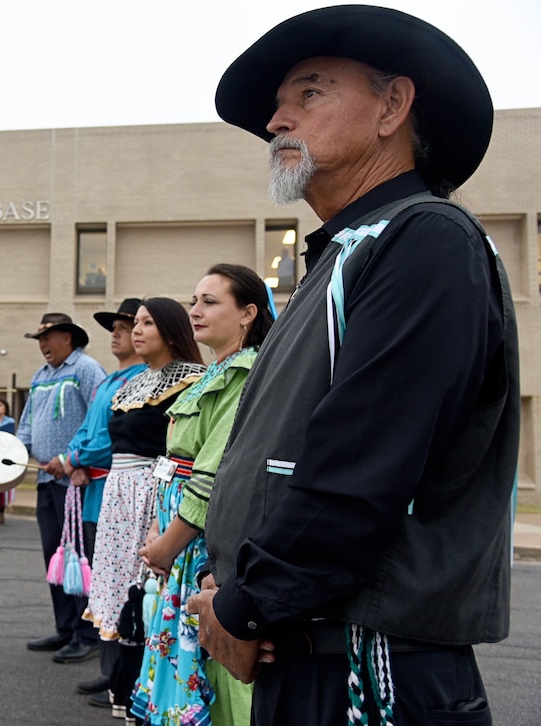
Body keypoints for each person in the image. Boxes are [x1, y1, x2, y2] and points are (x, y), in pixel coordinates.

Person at [186, 7, 519, 726]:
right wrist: (230, 584)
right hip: (308, 649)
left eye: (309, 93)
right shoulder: (342, 255)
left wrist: (245, 606)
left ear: (393, 106)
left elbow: (361, 464)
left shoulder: (424, 239)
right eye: (279, 104)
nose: (276, 119)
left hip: (372, 664)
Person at [129, 267, 273, 725]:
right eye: (194, 300)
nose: (195, 310)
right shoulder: (214, 373)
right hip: (177, 539)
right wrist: (157, 527)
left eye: (210, 301)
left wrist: (168, 543)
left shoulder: (245, 375)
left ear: (248, 313)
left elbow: (213, 473)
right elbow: (172, 464)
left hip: (203, 546)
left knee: (212, 661)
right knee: (187, 652)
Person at [76, 298, 204, 716]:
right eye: (137, 323)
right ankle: (125, 689)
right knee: (122, 592)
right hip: (119, 495)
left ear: (170, 330)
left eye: (148, 323)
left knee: (149, 593)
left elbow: (185, 448)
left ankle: (154, 694)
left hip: (155, 495)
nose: (137, 330)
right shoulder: (129, 384)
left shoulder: (191, 380)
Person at [49, 298, 150, 704]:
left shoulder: (141, 380)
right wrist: (74, 456)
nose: (118, 334)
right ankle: (108, 671)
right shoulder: (109, 381)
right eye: (117, 328)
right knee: (103, 585)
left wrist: (74, 460)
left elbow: (111, 438)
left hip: (117, 492)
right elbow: (84, 431)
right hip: (93, 493)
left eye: (126, 327)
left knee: (123, 585)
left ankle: (123, 674)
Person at [17, 313, 106, 665]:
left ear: (67, 338)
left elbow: (99, 420)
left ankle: (88, 633)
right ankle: (65, 627)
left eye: (48, 337)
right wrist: (10, 453)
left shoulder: (86, 369)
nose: (42, 345)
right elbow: (26, 423)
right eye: (39, 338)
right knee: (54, 557)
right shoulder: (40, 376)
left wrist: (73, 459)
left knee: (78, 558)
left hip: (75, 482)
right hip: (44, 480)